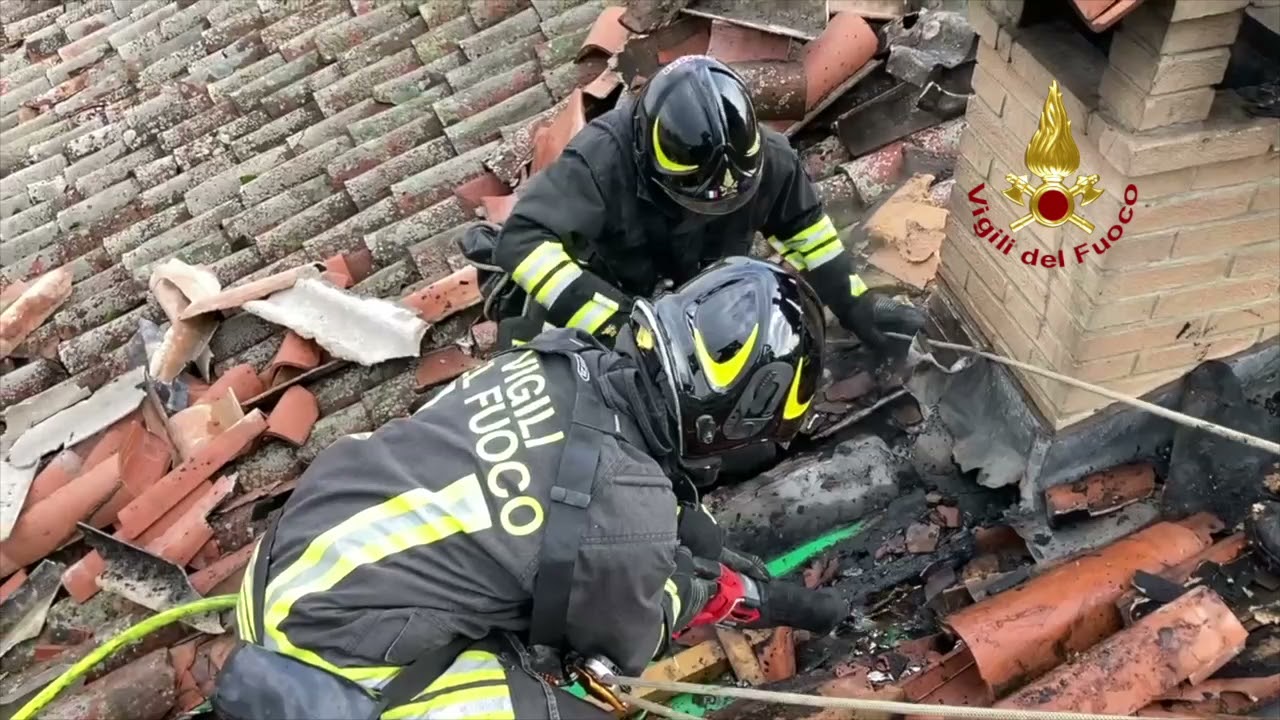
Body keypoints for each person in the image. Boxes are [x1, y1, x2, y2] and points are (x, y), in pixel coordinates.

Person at [212, 258, 849, 720]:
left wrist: (666, 539)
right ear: (732, 417)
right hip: (332, 669)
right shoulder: (626, 517)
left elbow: (574, 499)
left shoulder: (554, 358)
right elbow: (620, 648)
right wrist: (685, 586)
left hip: (285, 570)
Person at [470, 54, 924, 353]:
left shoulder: (771, 161)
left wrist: (856, 306)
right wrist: (622, 326)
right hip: (607, 301)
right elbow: (522, 242)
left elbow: (809, 236)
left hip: (700, 299)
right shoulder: (600, 160)